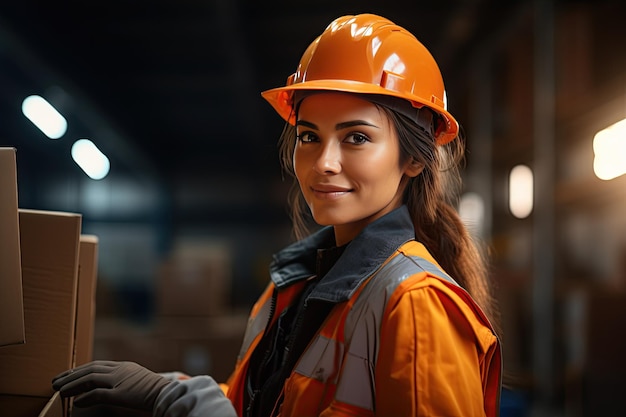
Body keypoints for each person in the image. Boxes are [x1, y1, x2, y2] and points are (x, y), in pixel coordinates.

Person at [52, 13, 502, 417]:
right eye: (309, 137)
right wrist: (169, 391)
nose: (324, 162)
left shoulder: (417, 306)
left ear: (414, 159)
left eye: (357, 138)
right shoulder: (294, 286)